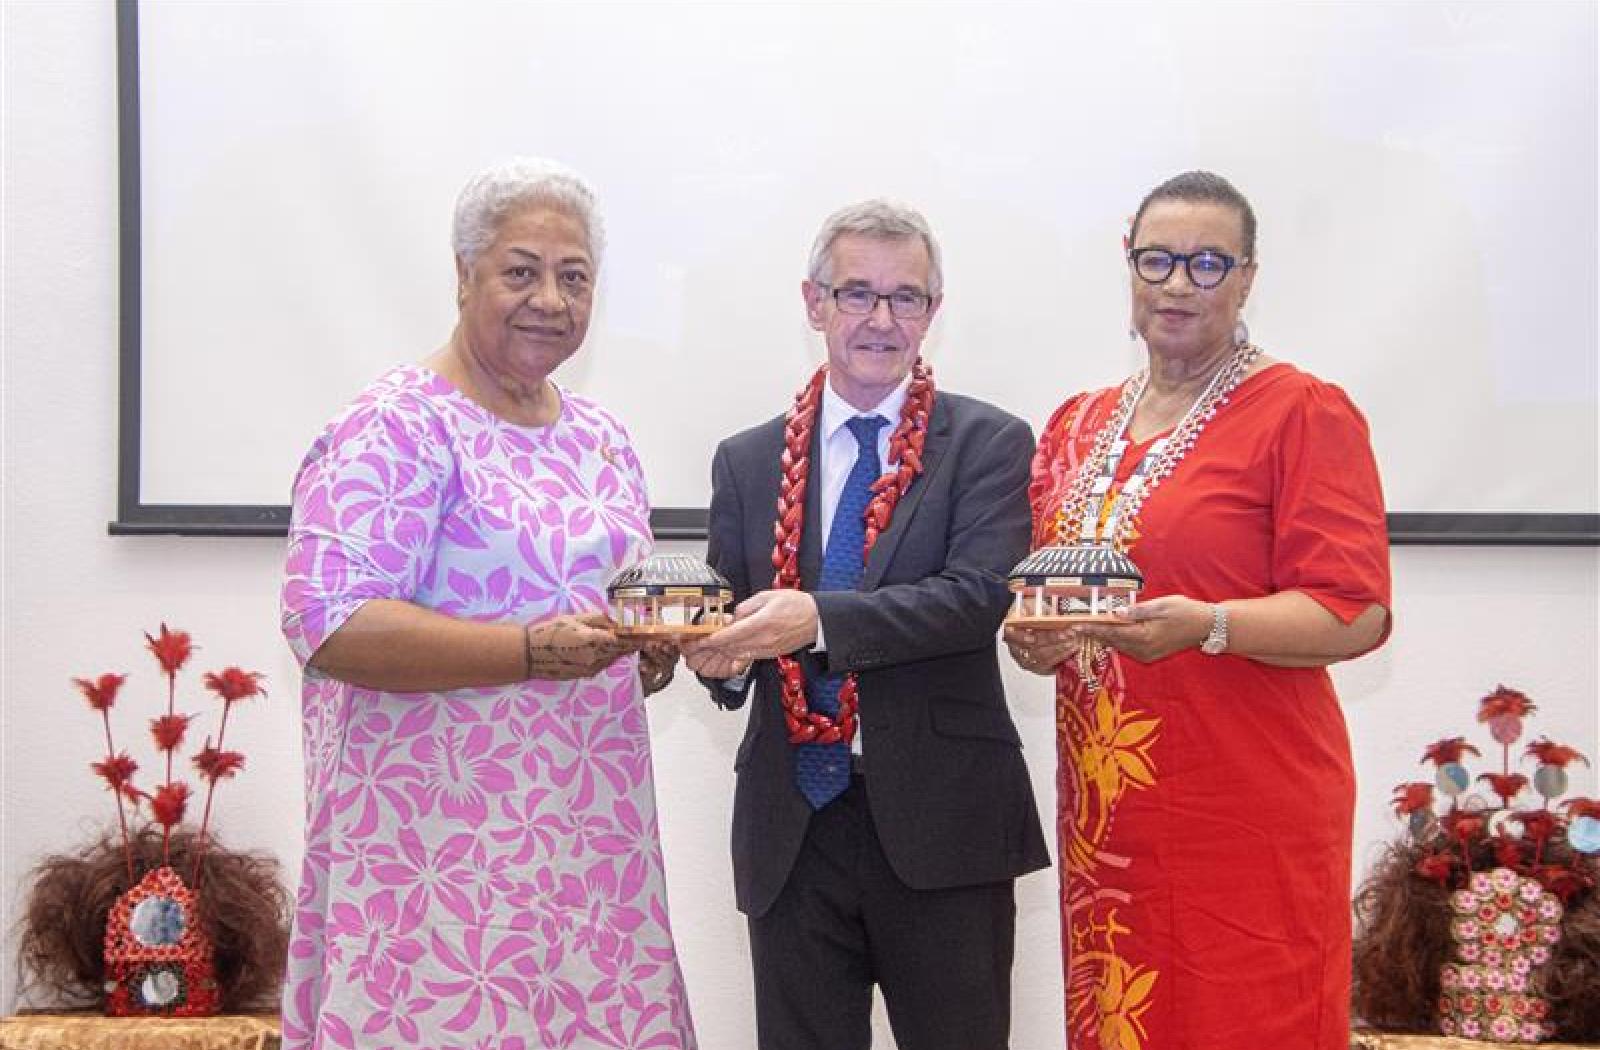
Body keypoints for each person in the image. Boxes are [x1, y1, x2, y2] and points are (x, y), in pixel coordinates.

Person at [279, 158, 695, 1050]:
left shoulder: (603, 439)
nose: (550, 299)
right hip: (433, 871)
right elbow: (328, 621)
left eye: (574, 277)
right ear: (464, 275)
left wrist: (646, 650)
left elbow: (602, 619)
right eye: (521, 271)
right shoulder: (396, 425)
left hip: (588, 864)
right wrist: (528, 652)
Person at [1006, 170, 1391, 1049]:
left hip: (1247, 812)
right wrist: (1035, 641)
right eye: (1158, 260)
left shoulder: (1300, 412)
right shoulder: (1076, 425)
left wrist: (1209, 626)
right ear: (1129, 267)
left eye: (1208, 263)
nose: (1178, 283)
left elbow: (1356, 612)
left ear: (1247, 278)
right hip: (1112, 821)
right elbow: (1047, 592)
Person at [682, 200, 1050, 1050]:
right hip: (793, 831)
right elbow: (731, 616)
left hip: (944, 827)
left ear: (932, 311)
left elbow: (975, 598)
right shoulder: (748, 459)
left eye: (905, 297)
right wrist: (714, 661)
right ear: (814, 303)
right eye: (857, 294)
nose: (881, 320)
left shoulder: (988, 443)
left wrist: (815, 620)